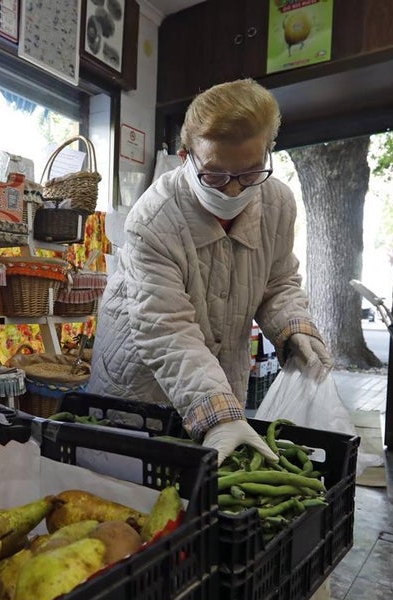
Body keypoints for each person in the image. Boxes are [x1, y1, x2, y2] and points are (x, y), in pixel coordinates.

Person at [87, 78, 331, 463]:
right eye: (215, 176)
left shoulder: (279, 203)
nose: (232, 191)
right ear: (186, 157)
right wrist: (217, 412)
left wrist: (293, 327)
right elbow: (166, 329)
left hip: (218, 370)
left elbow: (278, 281)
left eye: (250, 174)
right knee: (137, 485)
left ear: (268, 152)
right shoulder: (152, 219)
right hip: (142, 377)